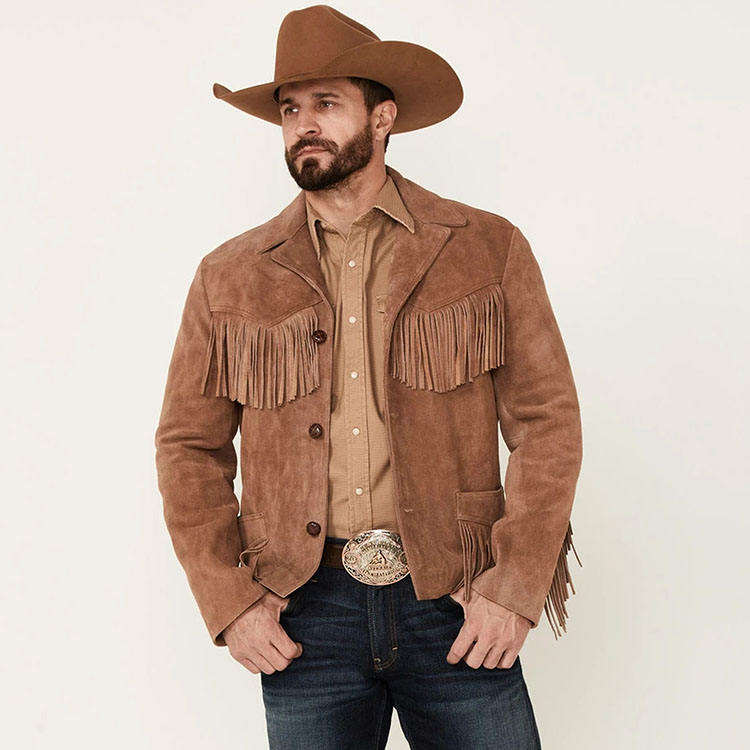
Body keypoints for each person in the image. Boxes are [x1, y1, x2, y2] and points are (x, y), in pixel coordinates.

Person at [155, 5, 583, 748]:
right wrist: (230, 600)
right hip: (303, 612)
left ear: (382, 118)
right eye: (290, 109)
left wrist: (514, 589)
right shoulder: (230, 276)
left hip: (456, 598)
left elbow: (548, 423)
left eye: (325, 104)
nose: (303, 126)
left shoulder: (486, 248)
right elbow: (188, 446)